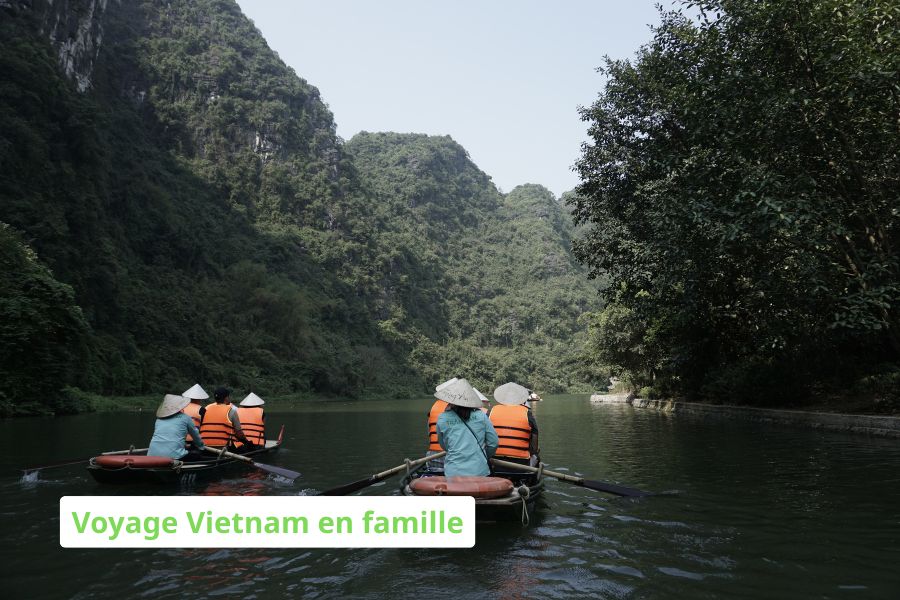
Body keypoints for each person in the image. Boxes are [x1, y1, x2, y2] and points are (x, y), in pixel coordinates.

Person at [435, 378, 499, 477]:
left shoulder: (442, 418)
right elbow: (493, 443)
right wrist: (484, 455)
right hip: (479, 471)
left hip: (453, 473)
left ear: (451, 400)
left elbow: (444, 445)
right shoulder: (481, 416)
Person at [490, 381, 540, 466]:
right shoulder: (527, 413)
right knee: (537, 454)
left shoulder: (491, 411)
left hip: (494, 461)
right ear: (520, 398)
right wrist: (534, 453)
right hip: (521, 463)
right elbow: (534, 446)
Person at [148, 394, 205, 459]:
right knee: (197, 455)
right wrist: (201, 447)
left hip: (151, 455)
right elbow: (195, 435)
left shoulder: (159, 420)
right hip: (174, 456)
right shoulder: (185, 418)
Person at [426, 377, 458, 469]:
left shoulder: (433, 408)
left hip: (432, 458)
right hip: (453, 460)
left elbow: (429, 433)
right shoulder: (460, 408)